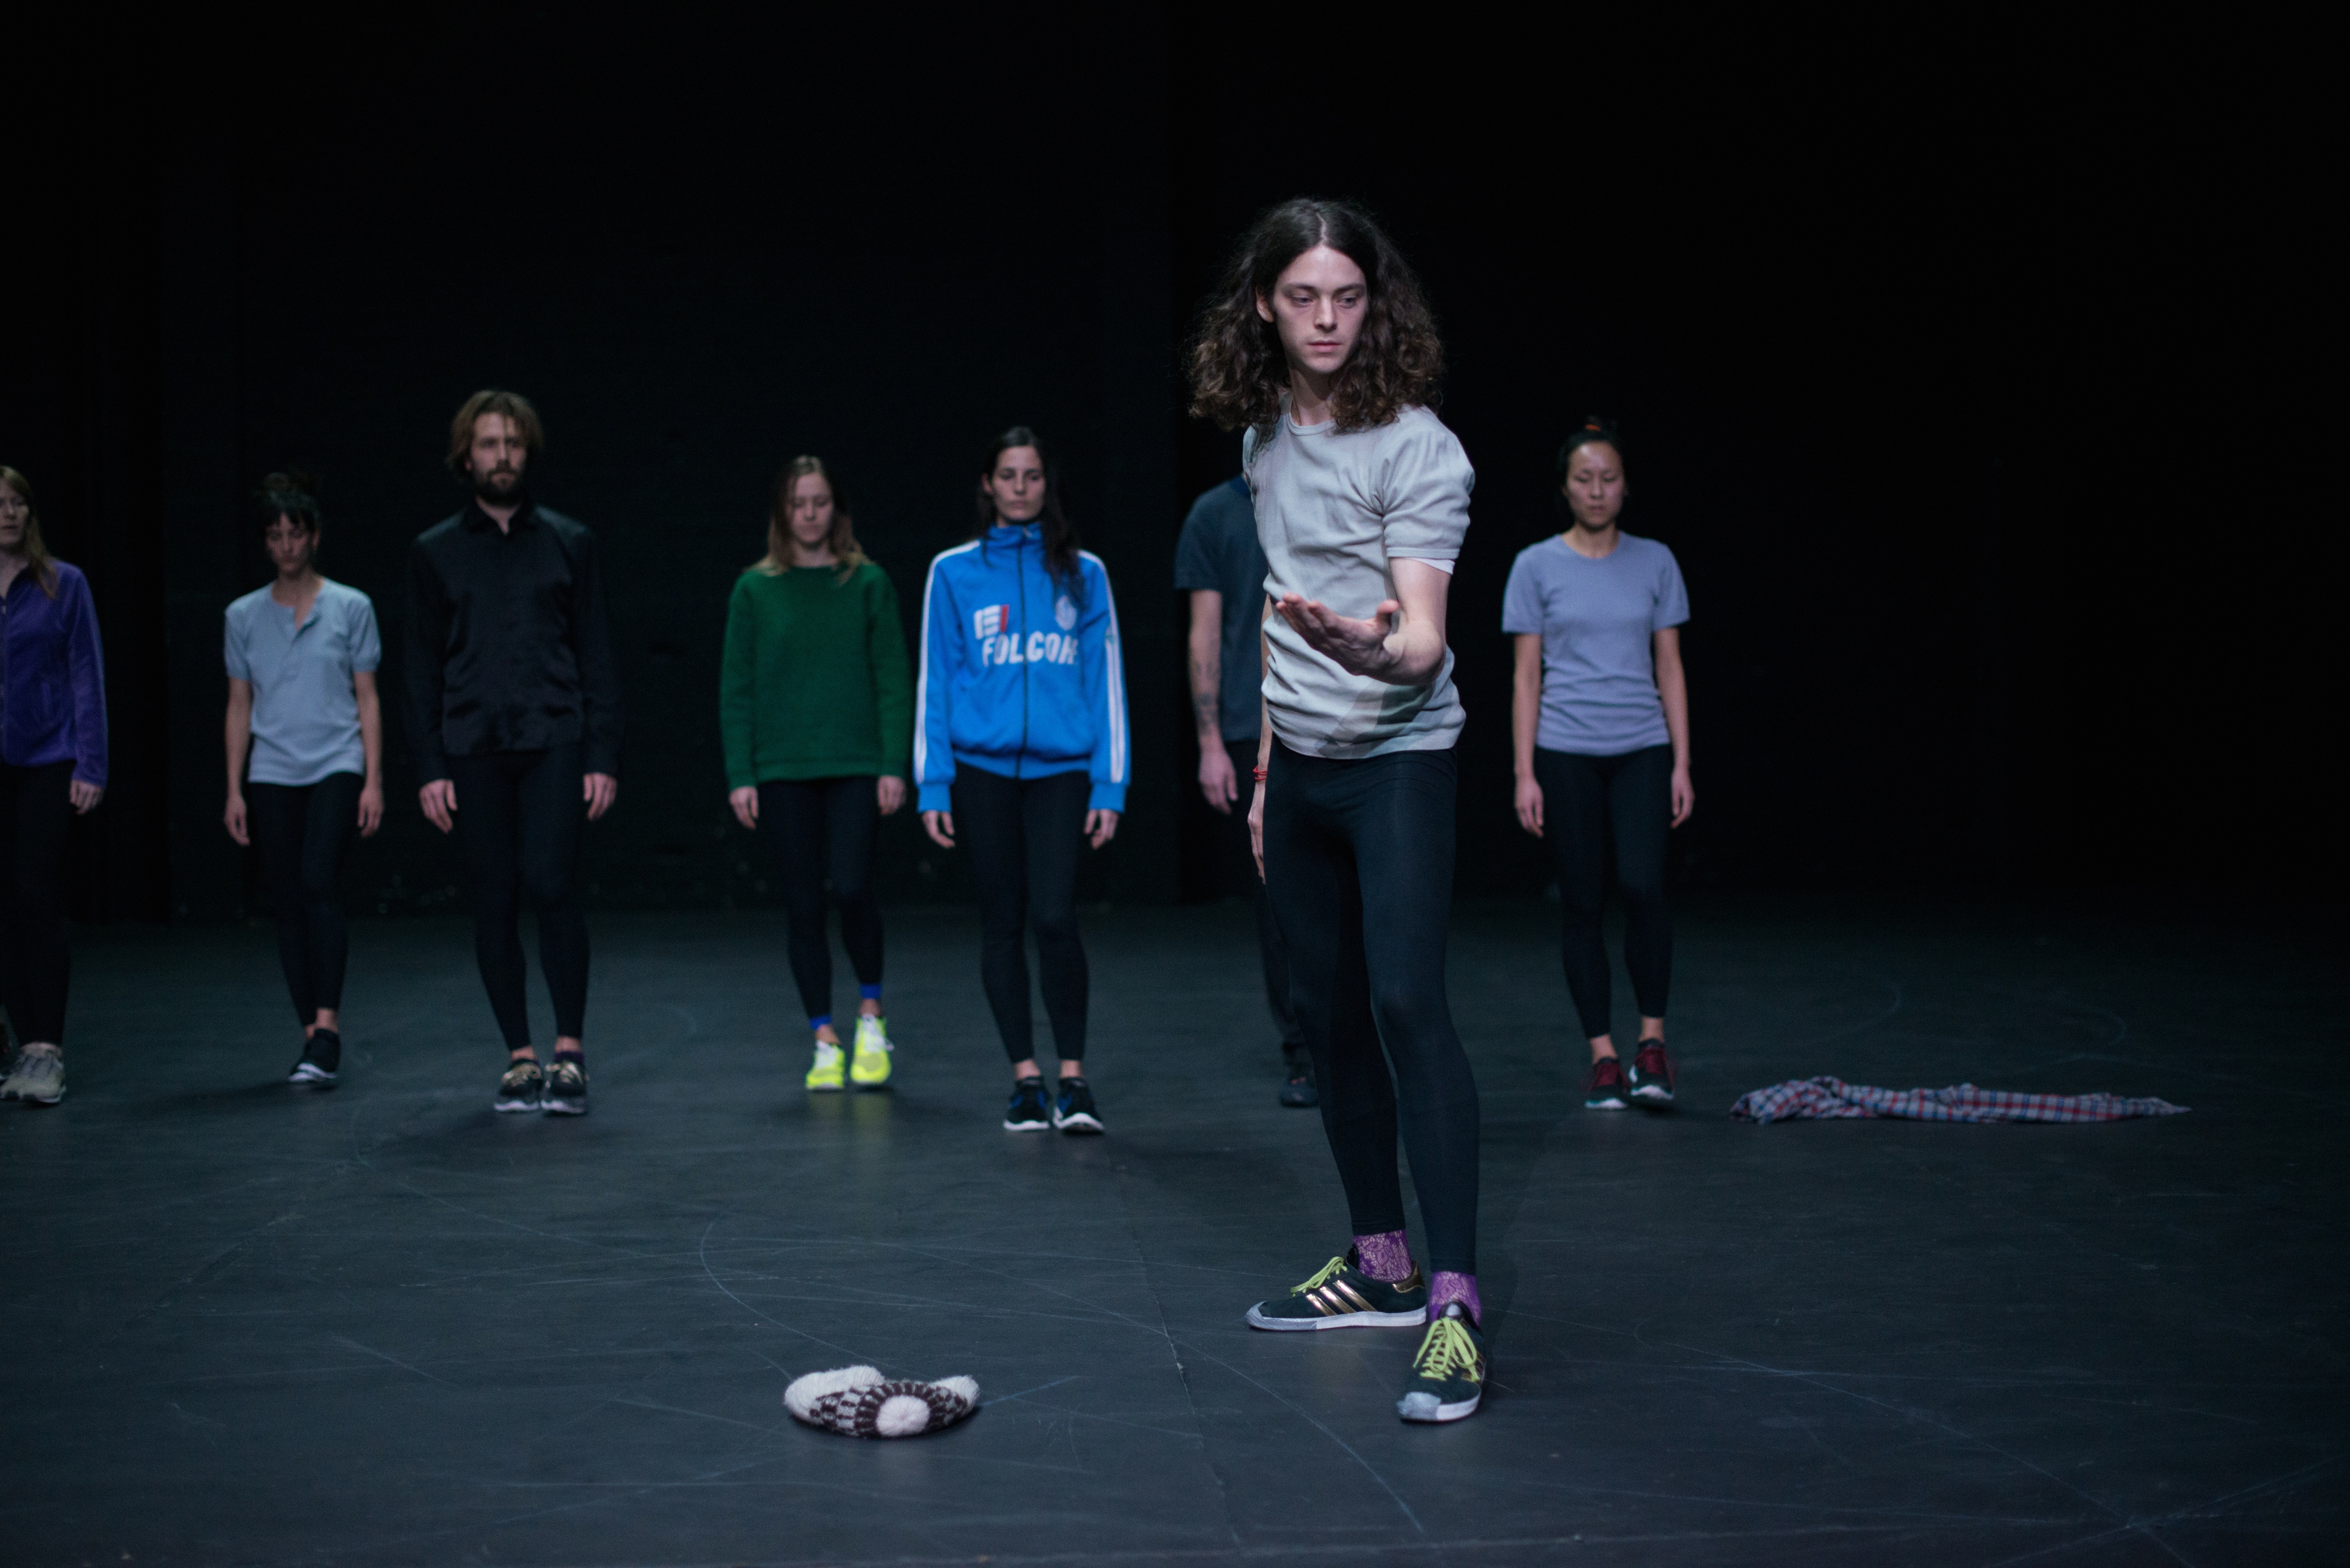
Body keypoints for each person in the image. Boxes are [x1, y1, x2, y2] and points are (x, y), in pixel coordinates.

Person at [1190, 199, 1488, 1422]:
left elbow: (1422, 641)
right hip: (1302, 770)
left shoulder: (1420, 451)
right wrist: (1268, 777)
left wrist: (1374, 649)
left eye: (1348, 298)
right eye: (1304, 297)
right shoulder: (1263, 434)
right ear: (1266, 303)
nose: (1326, 320)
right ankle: (1381, 1264)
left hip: (1399, 759)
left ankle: (1455, 1305)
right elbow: (1276, 621)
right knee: (1325, 1015)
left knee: (1407, 1001)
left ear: (1378, 304)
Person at [406, 391, 621, 1117]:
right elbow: (420, 668)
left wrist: (602, 754)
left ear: (528, 452)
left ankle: (570, 1051)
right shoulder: (434, 551)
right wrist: (429, 766)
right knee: (494, 896)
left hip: (554, 737)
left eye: (513, 443)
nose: (502, 456)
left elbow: (596, 652)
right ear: (466, 456)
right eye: (488, 444)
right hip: (472, 746)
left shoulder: (569, 541)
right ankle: (520, 1057)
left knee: (552, 883)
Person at [916, 427, 1127, 1136]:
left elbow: (1106, 684)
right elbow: (935, 681)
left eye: (1031, 475)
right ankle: (1025, 1081)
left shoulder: (1085, 572)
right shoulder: (952, 572)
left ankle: (1074, 1079)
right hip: (980, 771)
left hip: (1062, 772)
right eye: (1007, 475)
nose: (1019, 487)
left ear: (1046, 483)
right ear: (987, 483)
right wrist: (932, 781)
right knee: (1001, 922)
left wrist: (1110, 784)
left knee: (1056, 917)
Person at [1505, 419, 1692, 1110]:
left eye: (1607, 478)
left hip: (1641, 745)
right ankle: (1603, 1057)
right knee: (1582, 901)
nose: (1595, 489)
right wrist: (1523, 771)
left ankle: (1651, 1045)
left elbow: (1669, 666)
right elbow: (1526, 675)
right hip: (1564, 750)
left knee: (1643, 887)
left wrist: (1682, 762)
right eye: (1583, 478)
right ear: (1564, 487)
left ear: (1625, 486)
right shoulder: (1534, 565)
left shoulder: (1655, 561)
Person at [721, 457, 913, 1092]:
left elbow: (893, 678)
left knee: (852, 887)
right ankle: (824, 1037)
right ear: (782, 512)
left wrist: (892, 764)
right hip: (782, 767)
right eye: (798, 503)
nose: (809, 514)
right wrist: (741, 773)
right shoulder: (754, 590)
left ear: (837, 509)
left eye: (820, 501)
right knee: (803, 902)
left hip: (856, 762)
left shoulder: (867, 583)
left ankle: (871, 1014)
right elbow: (736, 689)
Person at [222, 474, 384, 1087]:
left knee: (318, 878)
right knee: (288, 896)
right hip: (271, 767)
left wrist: (374, 779)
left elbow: (367, 696)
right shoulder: (242, 616)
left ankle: (328, 1026)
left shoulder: (351, 606)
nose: (287, 546)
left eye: (296, 533)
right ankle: (310, 1035)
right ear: (265, 543)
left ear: (314, 537)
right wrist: (233, 788)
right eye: (275, 536)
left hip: (337, 759)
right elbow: (239, 703)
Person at [1175, 473, 1313, 1107]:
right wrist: (1209, 741)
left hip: (1337, 712)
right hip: (1246, 721)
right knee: (1277, 896)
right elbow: (1205, 630)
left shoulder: (1328, 484)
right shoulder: (1215, 513)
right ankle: (1303, 1049)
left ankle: (1349, 1037)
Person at [0, 467, 105, 1107]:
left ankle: (47, 1047)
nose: (7, 513)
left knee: (34, 893)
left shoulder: (63, 583)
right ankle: (23, 1043)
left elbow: (86, 674)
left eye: (17, 503)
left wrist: (91, 763)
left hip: (47, 757)